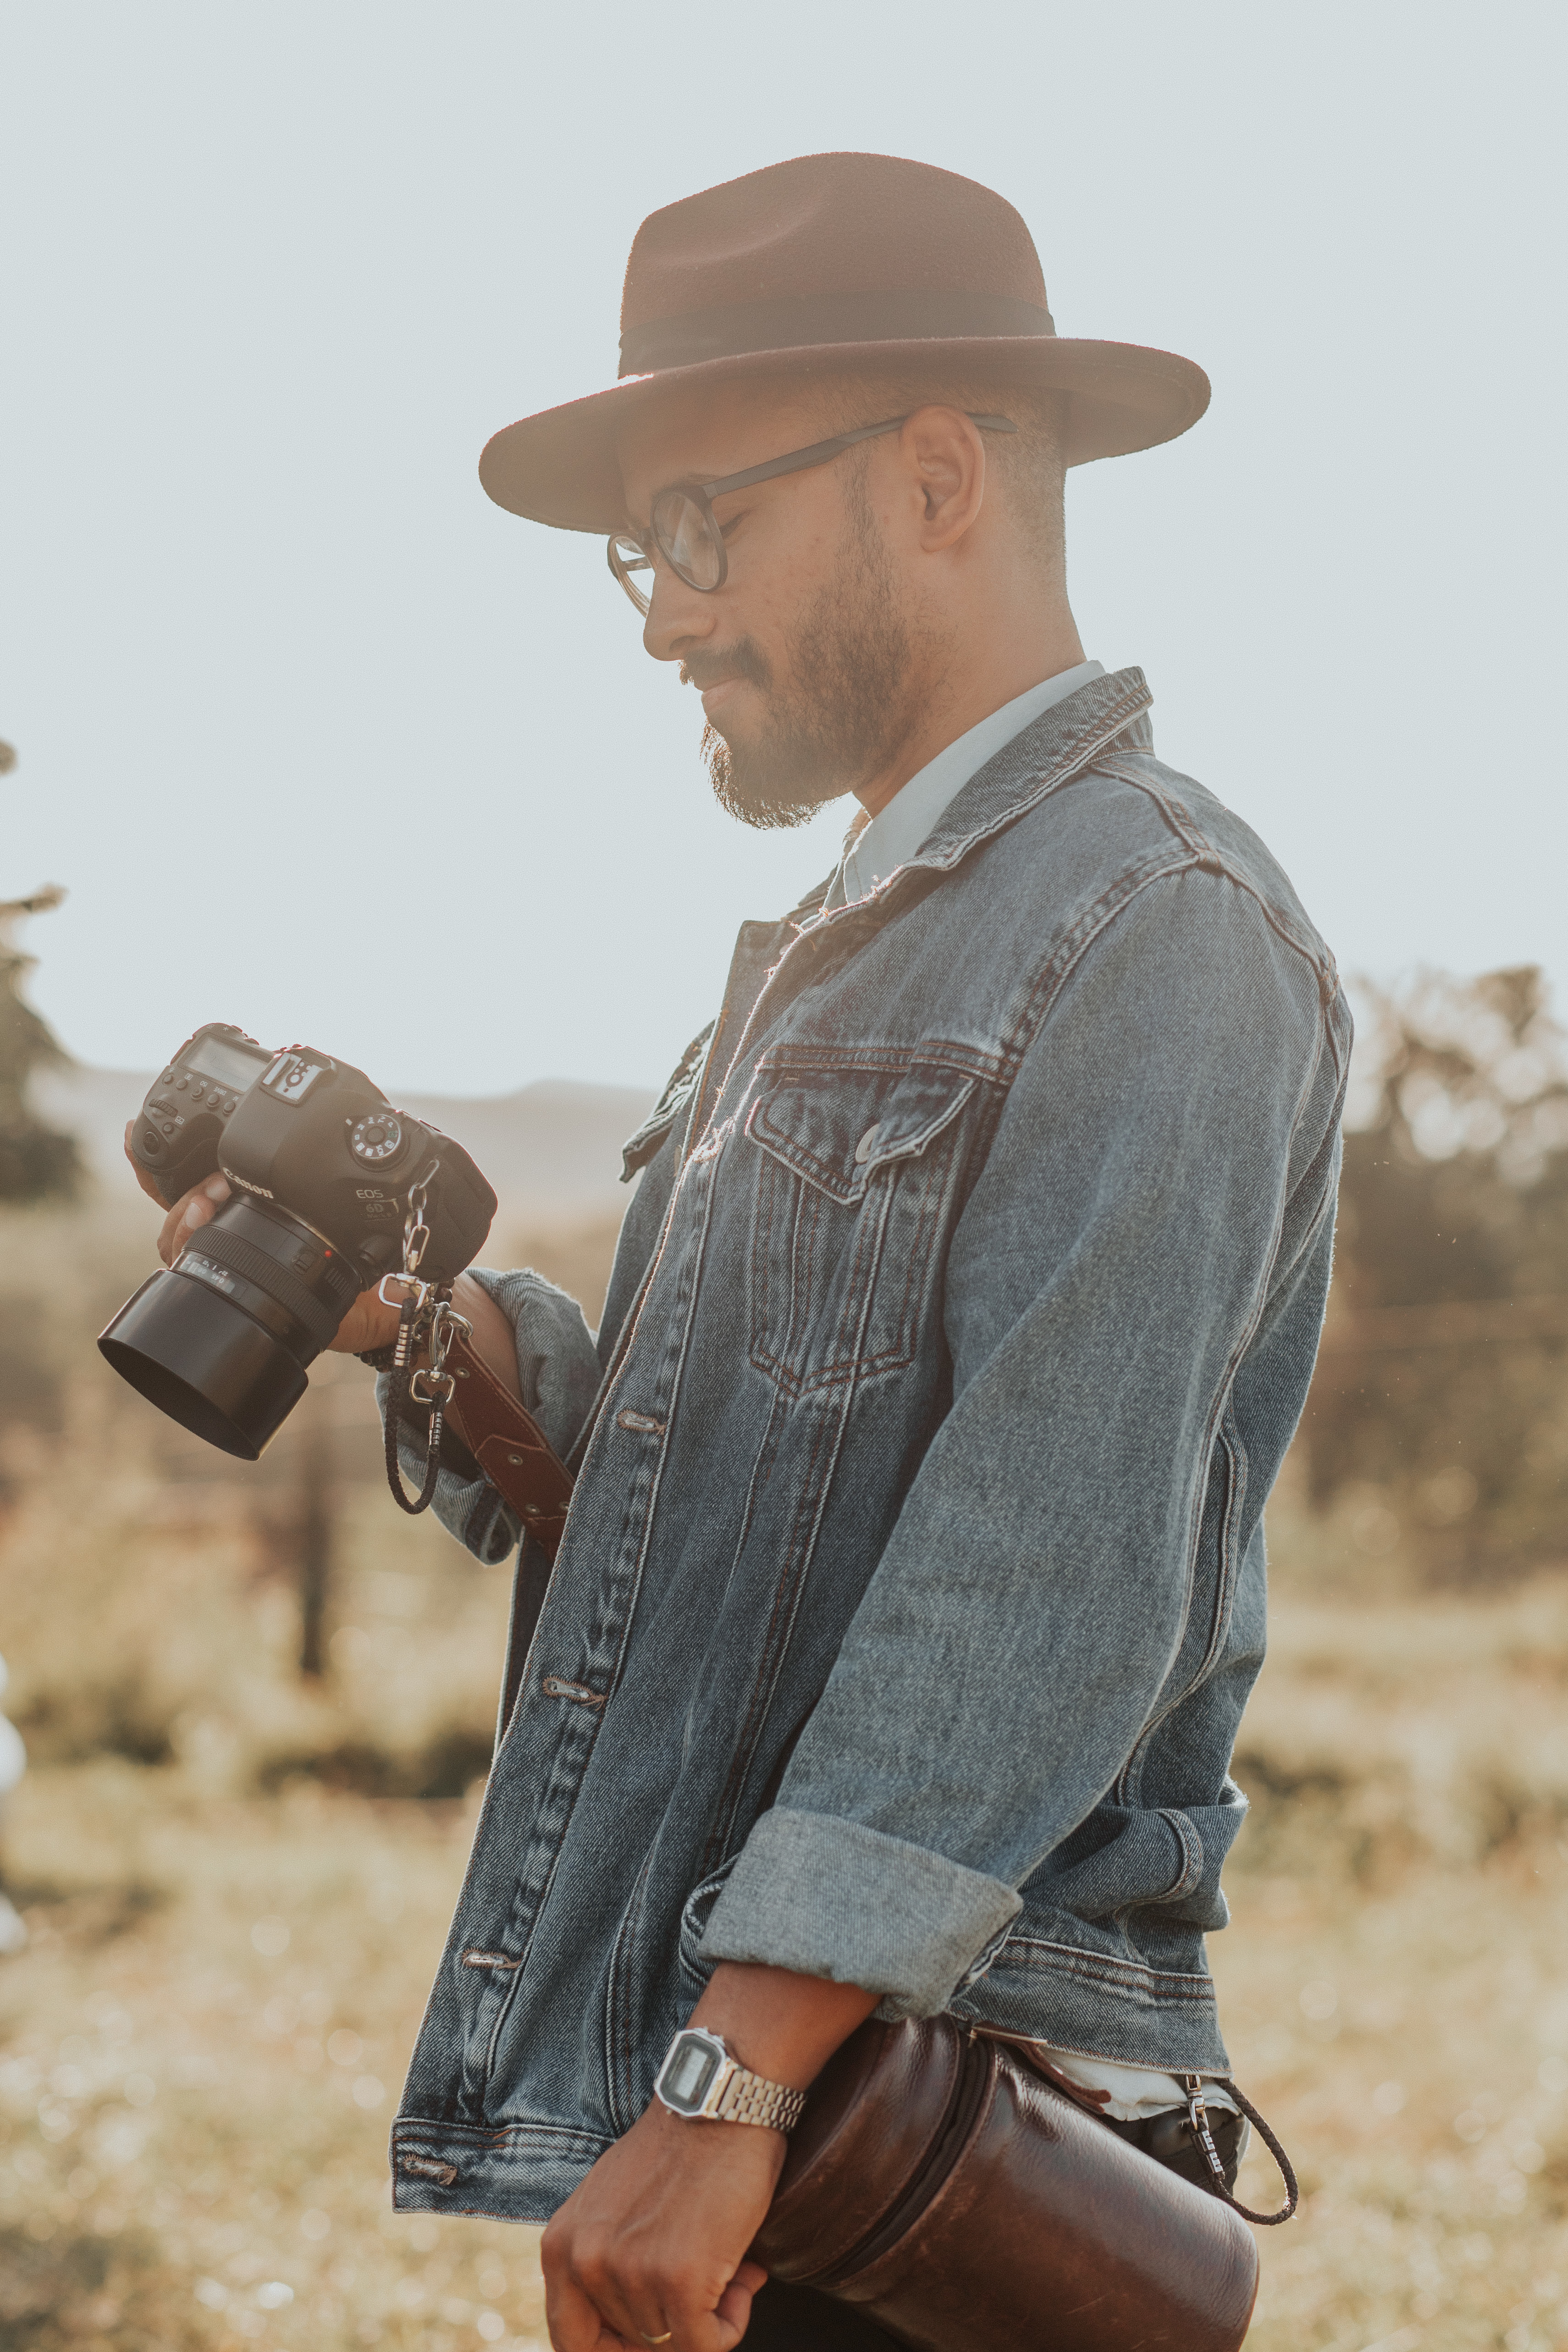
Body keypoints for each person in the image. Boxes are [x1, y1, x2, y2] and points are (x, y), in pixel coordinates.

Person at [140, 153, 1348, 2352]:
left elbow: (1045, 1558)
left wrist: (729, 2074)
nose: (666, 616)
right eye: (641, 551)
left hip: (939, 2139)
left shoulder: (1163, 923)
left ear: (941, 475)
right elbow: (773, 1503)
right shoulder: (849, 933)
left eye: (704, 530)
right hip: (797, 2117)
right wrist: (426, 1329)